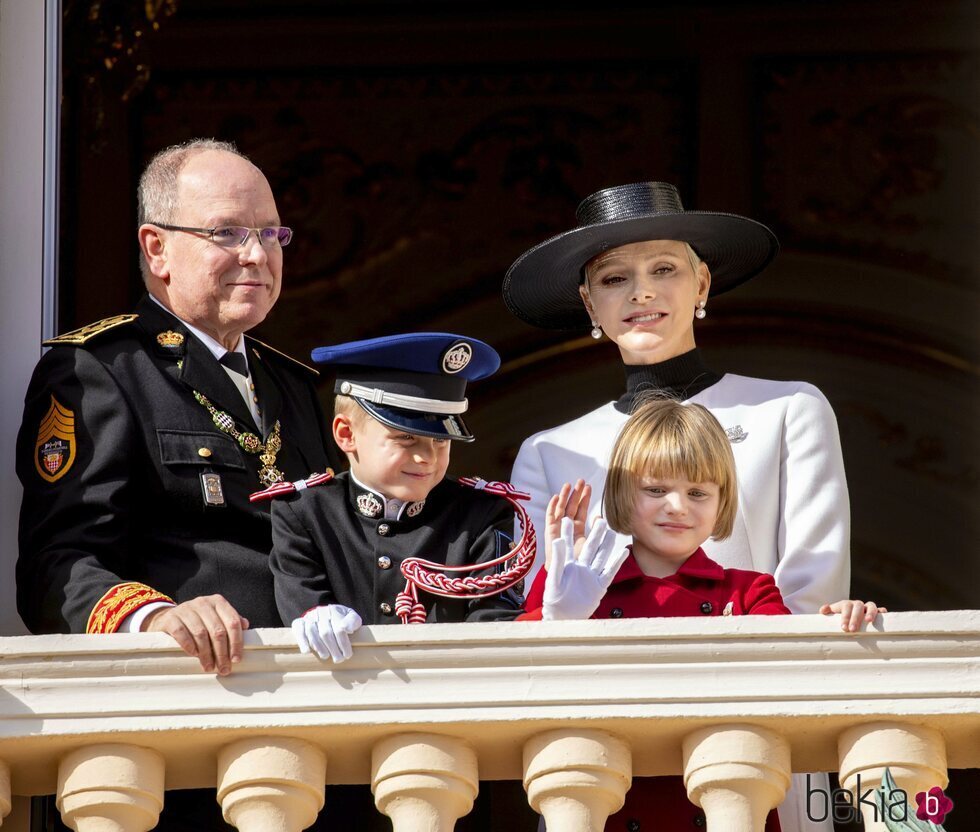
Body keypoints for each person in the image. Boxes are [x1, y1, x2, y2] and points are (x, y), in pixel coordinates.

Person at [503, 181, 850, 832]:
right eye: (614, 278)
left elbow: (811, 591)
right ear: (589, 303)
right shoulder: (549, 453)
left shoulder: (789, 411)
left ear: (703, 285)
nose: (641, 293)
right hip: (611, 755)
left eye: (664, 269)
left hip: (763, 735)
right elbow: (546, 627)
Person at [16, 138, 335, 830]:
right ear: (156, 249)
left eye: (271, 233)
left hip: (318, 734)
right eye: (227, 233)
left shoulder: (296, 386)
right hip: (186, 735)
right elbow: (58, 567)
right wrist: (156, 618)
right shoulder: (102, 370)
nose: (258, 255)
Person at [519, 399, 884, 831]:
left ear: (721, 502)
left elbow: (797, 666)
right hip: (607, 809)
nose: (678, 506)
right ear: (620, 493)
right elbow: (521, 679)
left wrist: (839, 620)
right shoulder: (573, 583)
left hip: (726, 807)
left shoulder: (748, 591)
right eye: (656, 489)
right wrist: (556, 622)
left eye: (698, 492)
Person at [267, 332, 527, 663]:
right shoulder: (303, 512)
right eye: (405, 438)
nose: (428, 458)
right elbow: (302, 602)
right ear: (346, 434)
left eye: (441, 441)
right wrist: (314, 613)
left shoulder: (482, 514)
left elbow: (495, 625)